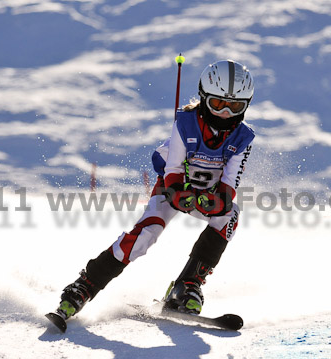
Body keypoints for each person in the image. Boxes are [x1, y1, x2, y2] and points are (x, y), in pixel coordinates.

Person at [53, 60, 255, 320]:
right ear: (205, 99)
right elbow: (172, 170)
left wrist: (217, 202)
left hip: (207, 195)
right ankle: (85, 285)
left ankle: (188, 286)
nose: (225, 112)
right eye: (218, 104)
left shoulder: (244, 137)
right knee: (147, 234)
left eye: (235, 106)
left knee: (230, 217)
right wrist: (177, 193)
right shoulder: (186, 123)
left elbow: (230, 184)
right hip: (173, 190)